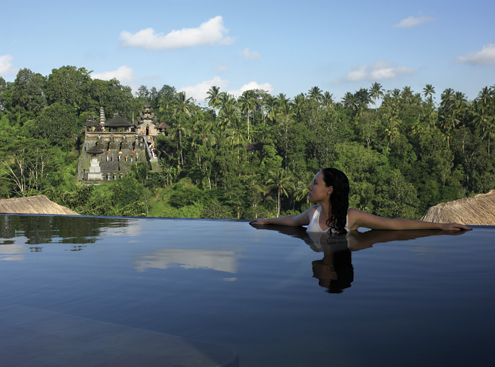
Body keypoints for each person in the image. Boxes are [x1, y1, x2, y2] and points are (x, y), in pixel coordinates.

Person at [249, 168, 472, 233]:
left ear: (329, 190)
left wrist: (441, 226)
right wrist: (266, 221)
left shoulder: (351, 217)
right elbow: (291, 221)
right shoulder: (313, 213)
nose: (309, 187)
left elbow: (393, 224)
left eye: (315, 183)